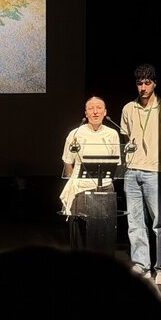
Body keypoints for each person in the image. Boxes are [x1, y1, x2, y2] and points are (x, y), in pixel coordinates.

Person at [120, 63, 161, 283]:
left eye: (147, 83)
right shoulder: (129, 108)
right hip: (132, 171)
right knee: (135, 222)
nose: (143, 88)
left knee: (159, 222)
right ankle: (141, 264)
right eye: (140, 83)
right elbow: (126, 137)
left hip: (155, 171)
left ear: (154, 83)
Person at [60, 96, 121, 250]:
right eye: (91, 108)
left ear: (105, 112)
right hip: (81, 189)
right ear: (86, 113)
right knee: (81, 235)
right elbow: (68, 162)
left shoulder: (112, 133)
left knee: (104, 233)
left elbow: (117, 163)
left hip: (105, 188)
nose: (95, 112)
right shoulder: (75, 133)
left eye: (99, 108)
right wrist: (74, 182)